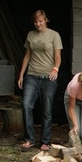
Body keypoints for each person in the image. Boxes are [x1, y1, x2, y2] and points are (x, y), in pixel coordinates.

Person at [18, 10, 62, 151]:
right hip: (32, 75)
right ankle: (29, 139)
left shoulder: (54, 35)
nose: (38, 24)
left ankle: (45, 142)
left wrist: (55, 69)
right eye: (36, 21)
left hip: (48, 77)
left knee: (47, 110)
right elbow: (27, 56)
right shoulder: (31, 35)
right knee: (26, 105)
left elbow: (58, 56)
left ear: (45, 20)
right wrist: (21, 75)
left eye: (40, 21)